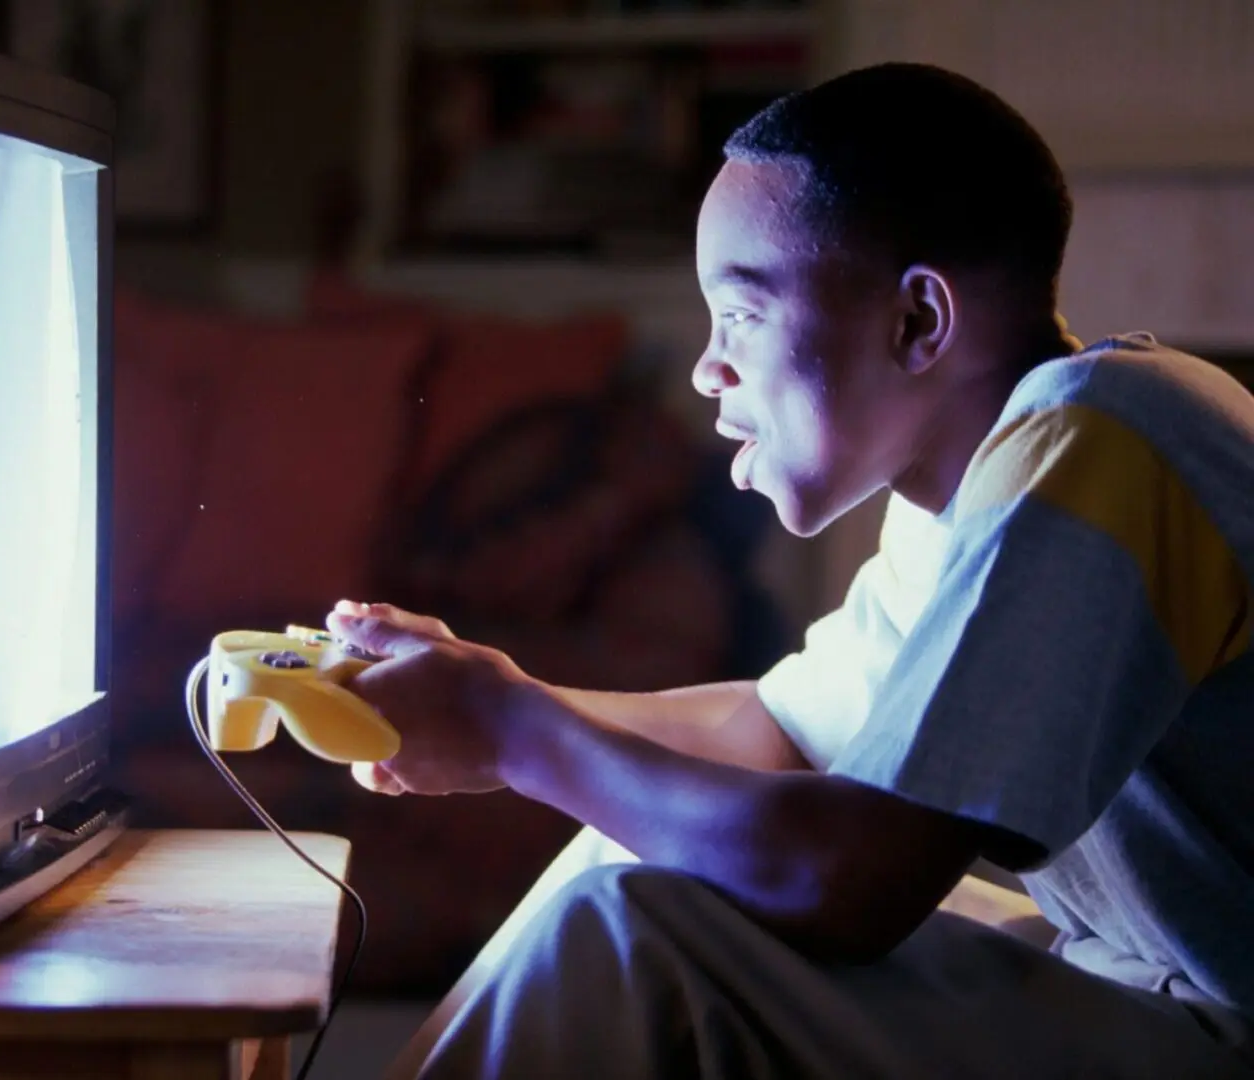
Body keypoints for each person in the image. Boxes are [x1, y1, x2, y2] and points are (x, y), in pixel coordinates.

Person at [322, 62, 1254, 1078]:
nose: (704, 367)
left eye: (743, 315)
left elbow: (847, 882)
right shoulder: (977, 493)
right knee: (634, 848)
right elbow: (770, 734)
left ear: (917, 323)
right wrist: (485, 696)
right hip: (1137, 983)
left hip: (1218, 1024)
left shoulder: (1104, 432)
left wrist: (512, 733)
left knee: (636, 932)